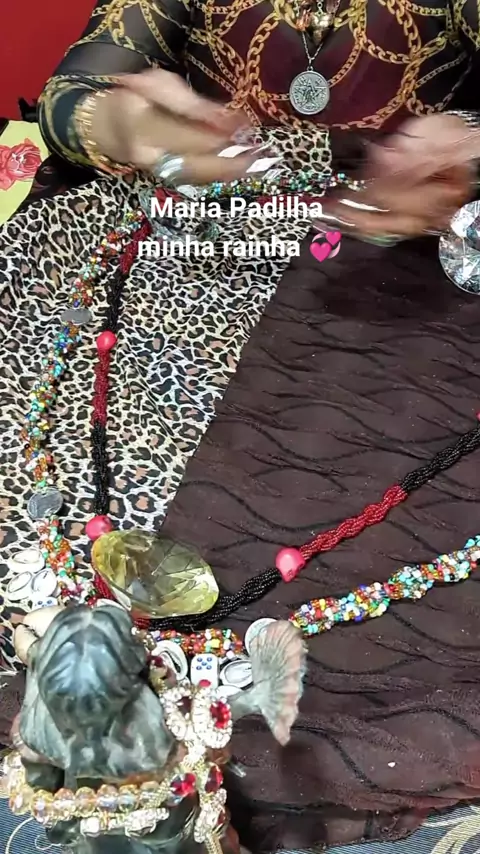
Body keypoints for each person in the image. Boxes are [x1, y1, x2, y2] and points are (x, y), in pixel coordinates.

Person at [2, 1, 480, 853]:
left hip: (419, 270)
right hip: (191, 241)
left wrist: (472, 143)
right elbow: (71, 93)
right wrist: (121, 122)